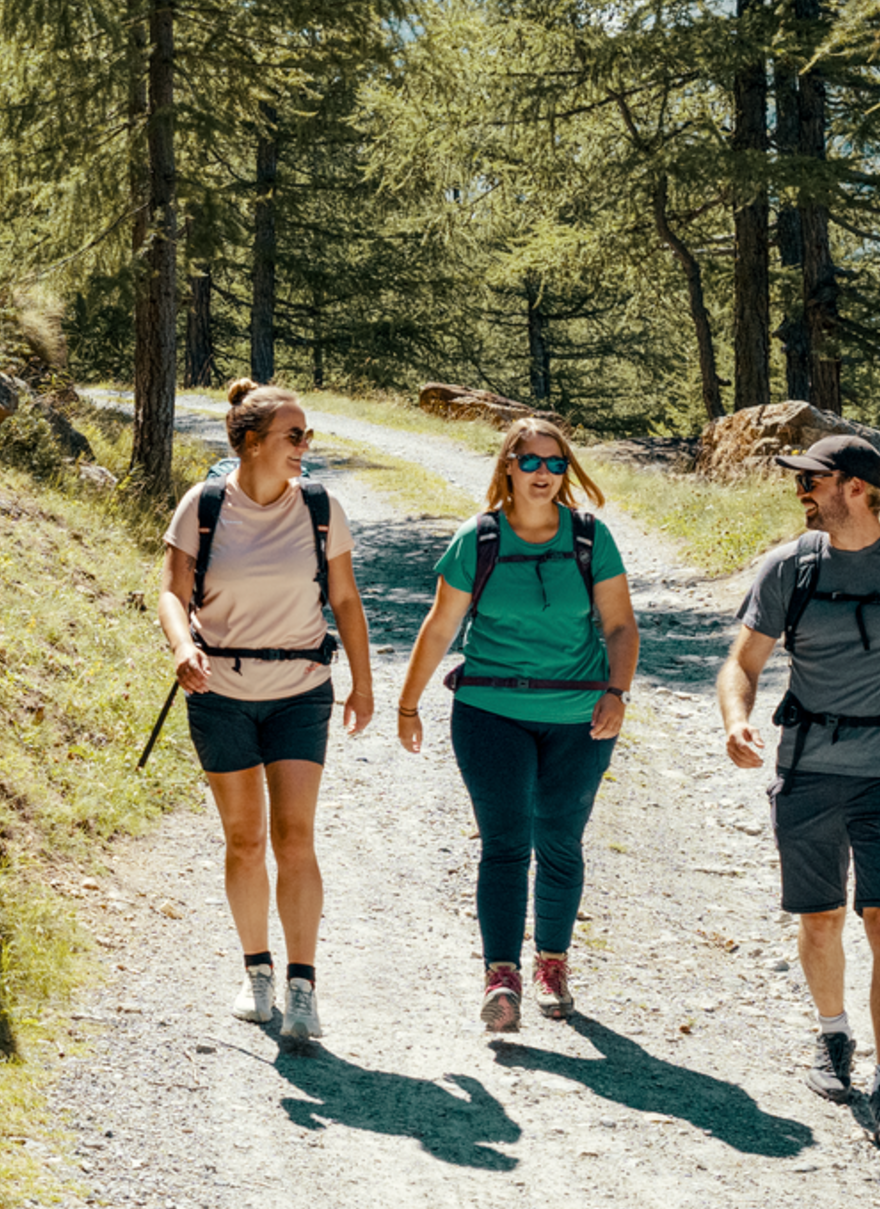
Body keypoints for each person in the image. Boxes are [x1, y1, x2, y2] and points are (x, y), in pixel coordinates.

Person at [711, 431, 880, 1151]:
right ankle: (833, 1037)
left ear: (855, 487)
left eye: (811, 481)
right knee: (820, 917)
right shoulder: (789, 567)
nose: (800, 492)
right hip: (807, 770)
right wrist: (737, 721)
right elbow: (743, 661)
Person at [389, 415, 640, 1034]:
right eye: (530, 462)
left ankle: (552, 964)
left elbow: (620, 626)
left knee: (560, 839)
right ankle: (501, 978)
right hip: (491, 712)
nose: (543, 475)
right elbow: (441, 626)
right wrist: (407, 702)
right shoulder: (479, 540)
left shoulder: (588, 538)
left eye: (556, 465)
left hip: (578, 715)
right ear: (508, 466)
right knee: (505, 845)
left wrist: (617, 691)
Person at [155, 380, 378, 1050]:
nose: (305, 448)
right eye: (294, 436)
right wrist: (183, 646)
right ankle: (258, 977)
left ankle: (303, 990)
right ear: (251, 443)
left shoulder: (318, 507)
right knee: (245, 841)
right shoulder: (202, 507)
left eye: (306, 436)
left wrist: (364, 686)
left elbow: (345, 599)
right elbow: (171, 591)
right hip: (219, 689)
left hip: (300, 689)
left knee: (295, 837)